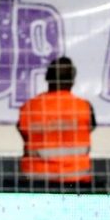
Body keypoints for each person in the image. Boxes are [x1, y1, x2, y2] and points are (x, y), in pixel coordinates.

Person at [17, 56, 95, 184]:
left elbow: (23, 132)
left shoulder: (29, 107)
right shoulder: (84, 107)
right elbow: (90, 128)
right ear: (72, 80)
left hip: (36, 179)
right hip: (75, 179)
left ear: (47, 78)